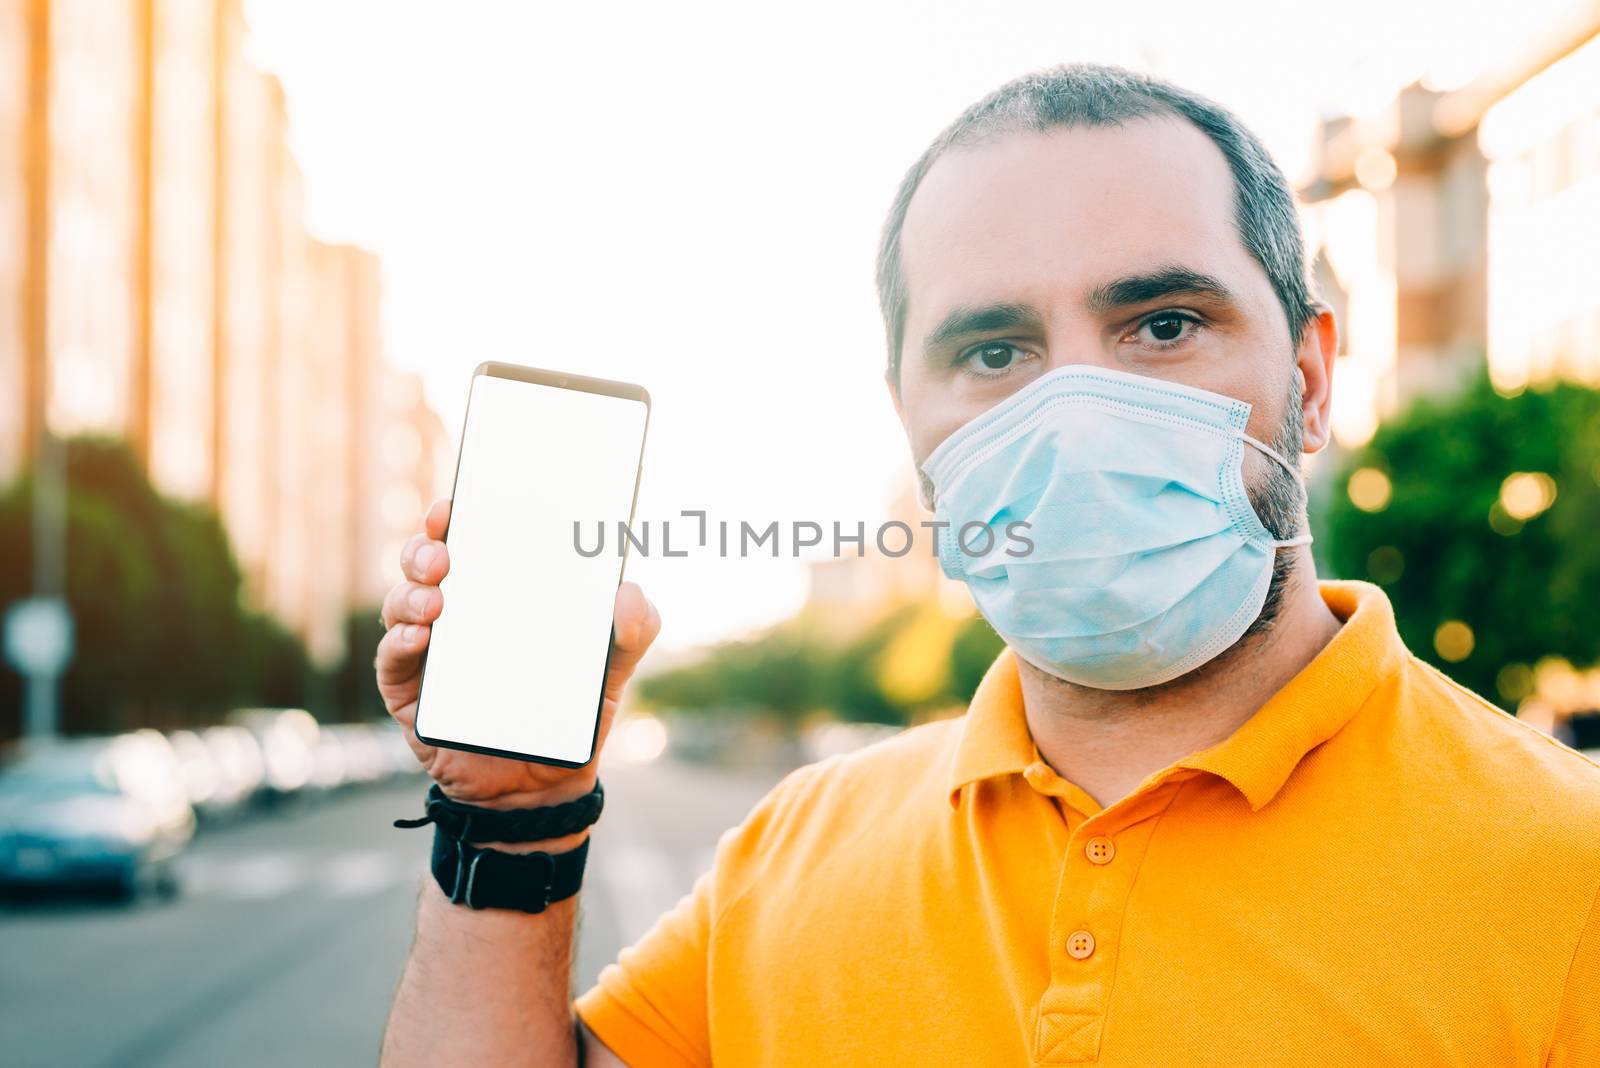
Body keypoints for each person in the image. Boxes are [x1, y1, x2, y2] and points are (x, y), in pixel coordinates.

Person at [376, 64, 1600, 1067]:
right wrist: (513, 817)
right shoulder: (792, 853)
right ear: (908, 427)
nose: (1075, 412)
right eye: (994, 349)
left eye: (1162, 324)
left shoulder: (1569, 874)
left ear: (1311, 378)